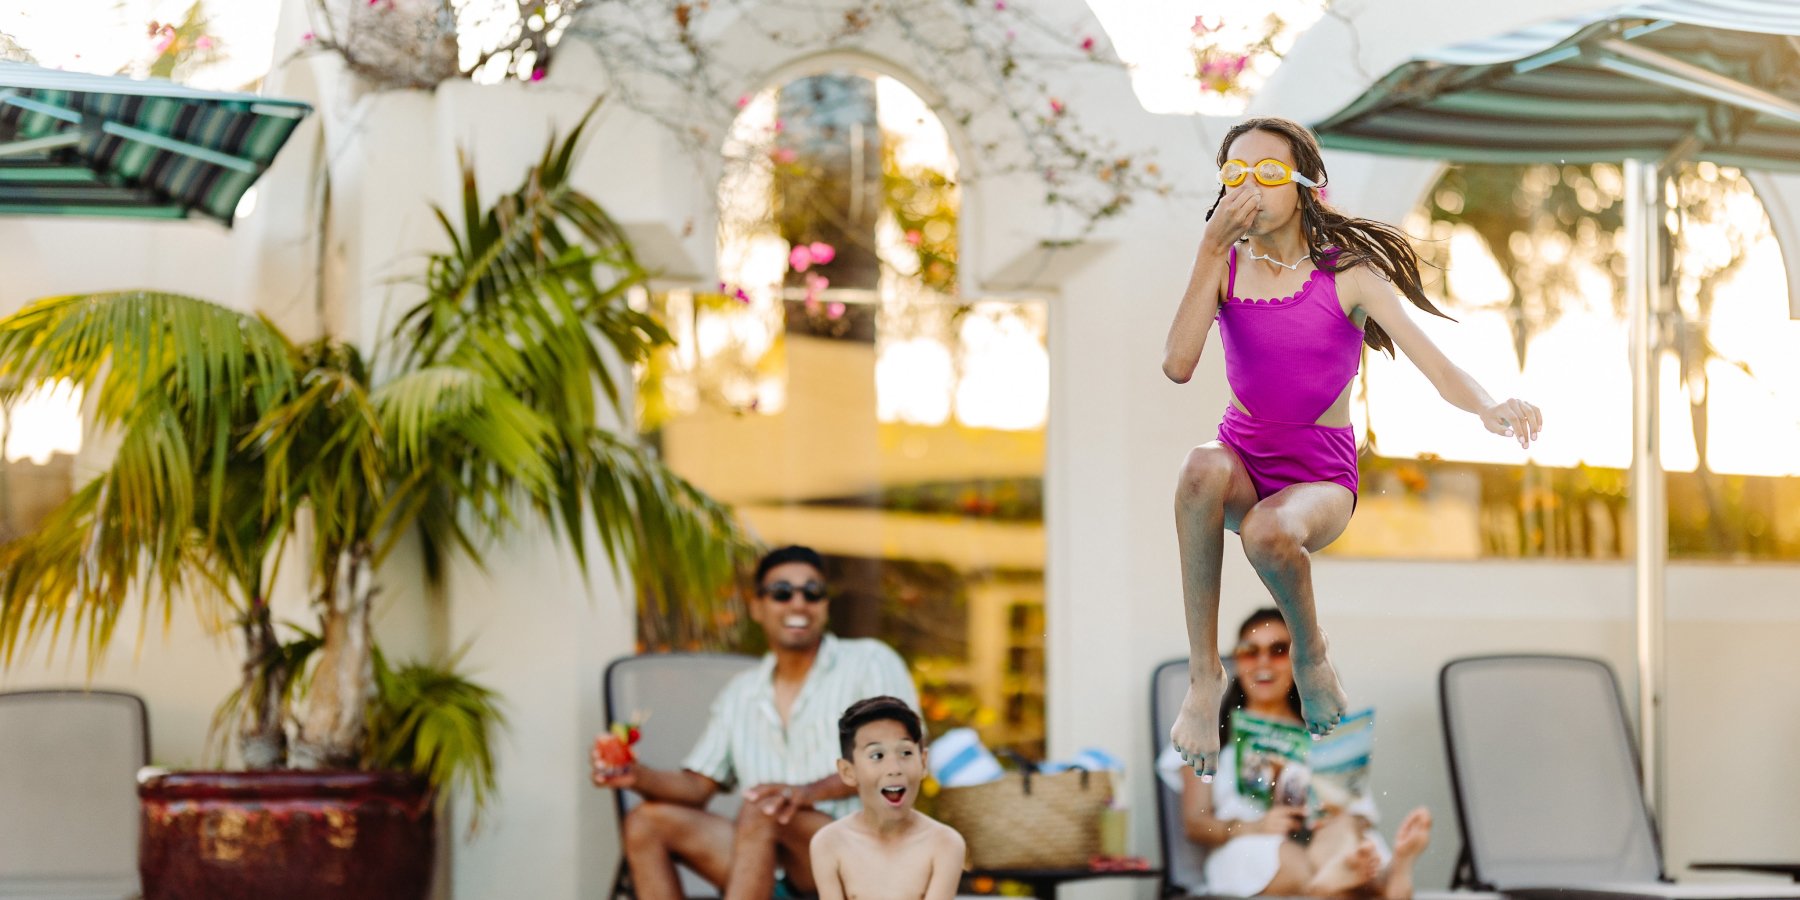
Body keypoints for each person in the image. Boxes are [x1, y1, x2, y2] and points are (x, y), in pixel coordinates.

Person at [1161, 116, 1543, 776]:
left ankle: (1311, 656)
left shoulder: (1348, 274)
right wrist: (1206, 250)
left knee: (1268, 532)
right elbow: (1177, 365)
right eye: (1234, 173)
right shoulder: (1222, 265)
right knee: (1198, 468)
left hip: (1319, 478)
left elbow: (1439, 366)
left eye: (1268, 172)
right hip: (1242, 461)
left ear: (1305, 185)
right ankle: (1203, 679)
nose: (1249, 186)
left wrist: (1489, 407)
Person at [592, 545, 922, 900]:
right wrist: (637, 775)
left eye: (812, 592)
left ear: (825, 605)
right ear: (757, 607)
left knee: (765, 808)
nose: (798, 603)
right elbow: (698, 785)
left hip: (859, 861)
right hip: (764, 863)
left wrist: (805, 793)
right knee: (646, 823)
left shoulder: (869, 661)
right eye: (782, 592)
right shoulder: (741, 694)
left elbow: (897, 757)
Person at [1169, 608, 1431, 899]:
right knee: (1300, 857)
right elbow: (1196, 824)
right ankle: (1381, 882)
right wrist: (1253, 826)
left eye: (1279, 650)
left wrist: (1328, 814)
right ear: (1237, 661)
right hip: (1253, 842)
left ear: (1299, 662)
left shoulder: (1324, 733)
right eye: (1250, 651)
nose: (1263, 662)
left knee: (1345, 830)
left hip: (1327, 838)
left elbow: (1359, 812)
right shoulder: (1204, 734)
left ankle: (1336, 880)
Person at [810, 696, 966, 900]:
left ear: (923, 762)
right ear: (848, 771)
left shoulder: (945, 843)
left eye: (906, 753)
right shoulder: (829, 843)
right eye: (877, 756)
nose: (894, 768)